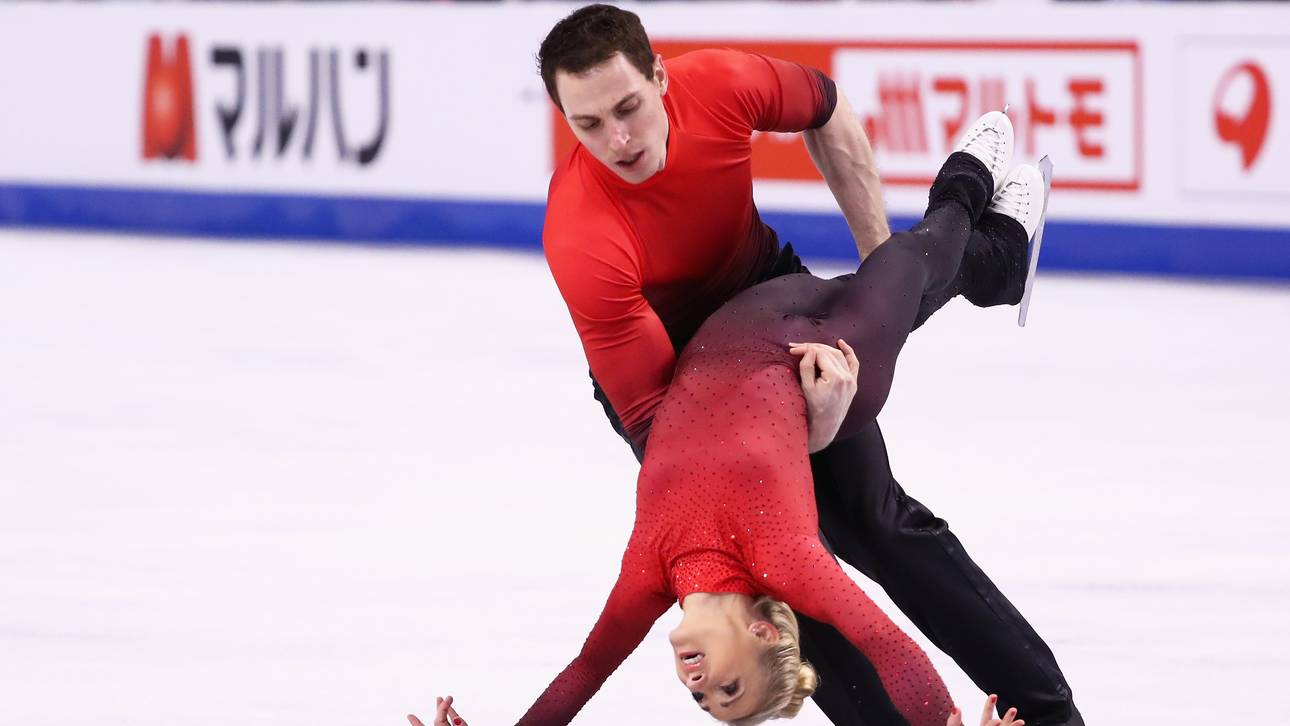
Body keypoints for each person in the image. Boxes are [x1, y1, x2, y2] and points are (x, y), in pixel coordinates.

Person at [532, 6, 1079, 724]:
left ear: (661, 77)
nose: (619, 138)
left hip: (771, 298)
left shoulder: (721, 85)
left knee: (878, 523)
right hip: (673, 395)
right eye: (588, 125)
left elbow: (827, 109)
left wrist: (882, 269)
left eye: (628, 107)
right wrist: (808, 424)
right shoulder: (582, 236)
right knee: (780, 583)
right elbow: (662, 430)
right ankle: (995, 256)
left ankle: (1046, 715)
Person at [415, 116, 1046, 726]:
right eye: (730, 687)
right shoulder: (786, 561)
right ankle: (964, 192)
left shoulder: (648, 580)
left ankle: (1000, 257)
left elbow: (581, 676)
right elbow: (886, 644)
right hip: (820, 364)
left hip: (729, 326)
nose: (700, 684)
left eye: (704, 702)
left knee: (897, 282)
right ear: (762, 631)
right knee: (905, 259)